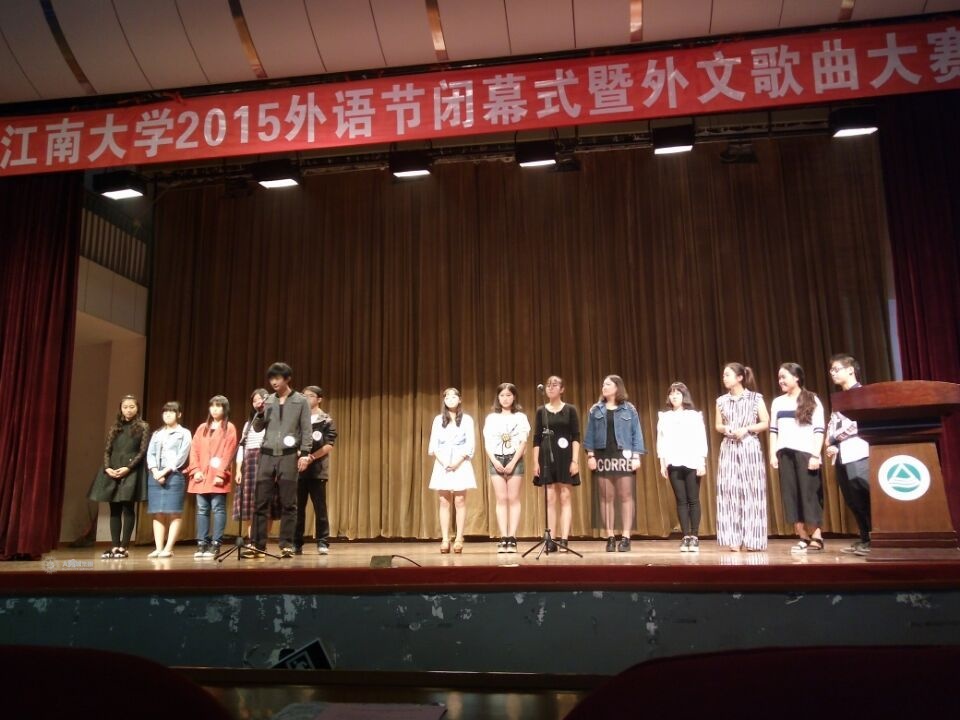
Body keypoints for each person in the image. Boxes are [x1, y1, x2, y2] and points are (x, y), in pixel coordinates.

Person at [246, 363, 313, 558]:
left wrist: (305, 453)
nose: (274, 382)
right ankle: (257, 545)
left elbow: (306, 429)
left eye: (278, 378)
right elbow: (257, 428)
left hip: (289, 455)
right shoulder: (268, 400)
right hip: (266, 455)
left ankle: (286, 545)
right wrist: (259, 411)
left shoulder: (300, 401)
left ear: (287, 379)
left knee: (289, 502)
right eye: (271, 378)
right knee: (260, 502)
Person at [584, 375, 645, 552]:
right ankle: (610, 536)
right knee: (606, 497)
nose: (604, 387)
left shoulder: (629, 409)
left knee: (626, 496)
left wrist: (636, 456)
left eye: (608, 384)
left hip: (623, 456)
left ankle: (626, 537)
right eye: (603, 384)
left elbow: (636, 433)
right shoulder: (596, 409)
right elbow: (589, 434)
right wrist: (590, 456)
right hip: (603, 456)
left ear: (617, 387)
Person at [770, 362, 826, 553]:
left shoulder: (811, 399)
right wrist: (773, 453)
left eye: (784, 377)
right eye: (779, 377)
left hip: (806, 452)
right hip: (785, 453)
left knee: (809, 494)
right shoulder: (777, 402)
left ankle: (817, 535)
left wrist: (815, 455)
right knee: (791, 495)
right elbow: (773, 430)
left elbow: (819, 429)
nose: (780, 381)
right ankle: (802, 536)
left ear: (796, 378)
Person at [715, 363, 770, 552]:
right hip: (729, 447)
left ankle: (753, 539)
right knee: (730, 491)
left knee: (752, 490)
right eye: (724, 375)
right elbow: (718, 425)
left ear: (739, 377)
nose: (724, 378)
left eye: (728, 375)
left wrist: (746, 428)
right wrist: (726, 428)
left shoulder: (755, 398)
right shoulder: (721, 401)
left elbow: (765, 422)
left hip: (749, 446)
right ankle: (733, 539)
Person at [88, 395, 149, 559]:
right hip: (113, 469)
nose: (128, 410)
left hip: (131, 470)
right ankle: (115, 546)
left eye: (132, 407)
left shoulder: (143, 426)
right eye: (125, 407)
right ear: (121, 409)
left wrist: (128, 468)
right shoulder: (115, 427)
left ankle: (124, 547)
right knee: (114, 509)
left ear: (137, 408)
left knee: (128, 508)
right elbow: (107, 450)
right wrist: (108, 468)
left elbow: (142, 451)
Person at [827, 354, 871, 555]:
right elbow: (832, 422)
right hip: (841, 454)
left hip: (858, 451)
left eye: (836, 369)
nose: (832, 373)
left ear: (851, 370)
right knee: (852, 499)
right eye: (831, 370)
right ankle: (864, 537)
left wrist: (834, 438)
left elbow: (856, 423)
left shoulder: (862, 394)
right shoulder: (839, 398)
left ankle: (875, 538)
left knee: (863, 494)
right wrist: (830, 441)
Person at [657, 382, 708, 552]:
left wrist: (701, 462)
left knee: (693, 499)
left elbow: (701, 439)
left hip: (692, 460)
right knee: (681, 500)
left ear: (684, 396)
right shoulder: (665, 417)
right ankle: (685, 536)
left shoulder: (694, 416)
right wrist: (662, 463)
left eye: (677, 393)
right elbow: (661, 441)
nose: (674, 396)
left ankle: (695, 536)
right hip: (673, 461)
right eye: (671, 393)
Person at [186, 395, 238, 558]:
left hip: (217, 476)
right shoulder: (202, 427)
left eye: (218, 406)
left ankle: (216, 544)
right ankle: (202, 543)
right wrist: (195, 470)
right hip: (201, 475)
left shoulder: (229, 427)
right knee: (202, 509)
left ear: (225, 409)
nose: (214, 409)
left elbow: (229, 452)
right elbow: (194, 450)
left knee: (218, 508)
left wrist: (221, 474)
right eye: (212, 406)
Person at [533, 376, 580, 551]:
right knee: (550, 498)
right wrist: (535, 462)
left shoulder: (570, 410)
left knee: (565, 496)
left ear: (562, 389)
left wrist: (575, 461)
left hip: (565, 456)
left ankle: (564, 539)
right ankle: (550, 539)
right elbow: (536, 438)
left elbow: (576, 436)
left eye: (555, 385)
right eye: (548, 385)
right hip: (546, 457)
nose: (550, 388)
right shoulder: (541, 411)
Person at [428, 387, 477, 554]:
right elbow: (433, 445)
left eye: (454, 396)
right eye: (447, 397)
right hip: (442, 463)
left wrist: (457, 462)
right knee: (444, 501)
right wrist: (444, 462)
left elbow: (470, 444)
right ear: (444, 400)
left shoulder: (467, 419)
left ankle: (459, 538)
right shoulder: (438, 420)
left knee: (460, 501)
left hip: (461, 463)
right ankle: (445, 539)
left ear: (460, 399)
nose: (450, 399)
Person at [483, 383, 530, 553]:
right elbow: (487, 442)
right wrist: (495, 461)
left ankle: (512, 537)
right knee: (501, 499)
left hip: (514, 459)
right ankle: (503, 536)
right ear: (498, 397)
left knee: (513, 498)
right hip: (496, 459)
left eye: (509, 395)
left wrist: (513, 462)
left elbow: (523, 442)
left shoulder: (520, 417)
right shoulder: (491, 418)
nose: (505, 398)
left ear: (514, 397)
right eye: (502, 395)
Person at [294, 386, 338, 555]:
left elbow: (329, 445)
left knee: (320, 508)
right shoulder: (298, 418)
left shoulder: (326, 420)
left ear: (319, 399)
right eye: (304, 396)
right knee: (297, 508)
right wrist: (298, 454)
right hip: (298, 469)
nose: (306, 399)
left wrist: (310, 457)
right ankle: (296, 543)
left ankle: (322, 542)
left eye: (310, 396)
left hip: (317, 470)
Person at [145, 401, 191, 558]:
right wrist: (155, 471)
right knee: (157, 512)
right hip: (155, 475)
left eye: (171, 412)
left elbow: (181, 456)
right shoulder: (157, 433)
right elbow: (150, 454)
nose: (167, 414)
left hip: (174, 475)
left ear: (179, 414)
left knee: (174, 512)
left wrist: (164, 472)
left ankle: (169, 548)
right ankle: (158, 548)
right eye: (165, 412)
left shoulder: (184, 433)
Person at [233, 389, 280, 540]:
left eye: (261, 399)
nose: (258, 402)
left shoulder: (274, 422)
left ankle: (262, 541)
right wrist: (238, 470)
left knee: (267, 503)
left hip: (267, 460)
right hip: (249, 464)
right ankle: (252, 541)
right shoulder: (248, 424)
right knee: (249, 505)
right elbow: (242, 447)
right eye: (254, 401)